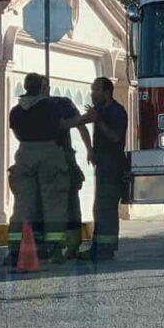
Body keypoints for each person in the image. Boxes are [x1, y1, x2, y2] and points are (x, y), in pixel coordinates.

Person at [7, 73, 70, 266]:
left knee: (23, 205)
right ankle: (55, 248)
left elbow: (16, 132)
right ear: (43, 87)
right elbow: (62, 126)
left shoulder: (16, 110)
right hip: (49, 153)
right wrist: (86, 119)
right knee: (53, 203)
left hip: (24, 154)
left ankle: (15, 249)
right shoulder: (51, 106)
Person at [66, 77, 128, 261]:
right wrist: (62, 124)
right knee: (100, 208)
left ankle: (105, 249)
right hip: (102, 164)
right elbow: (81, 120)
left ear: (107, 92)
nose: (92, 94)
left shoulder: (116, 111)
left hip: (113, 165)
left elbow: (116, 137)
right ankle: (98, 247)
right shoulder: (99, 111)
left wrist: (98, 121)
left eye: (96, 90)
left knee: (106, 208)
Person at [41, 78, 92, 259]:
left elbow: (81, 127)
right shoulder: (35, 108)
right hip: (49, 162)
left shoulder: (61, 104)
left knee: (68, 203)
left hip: (60, 160)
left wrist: (89, 149)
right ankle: (58, 246)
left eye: (43, 87)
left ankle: (69, 246)